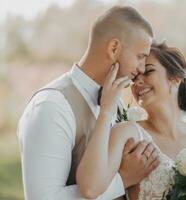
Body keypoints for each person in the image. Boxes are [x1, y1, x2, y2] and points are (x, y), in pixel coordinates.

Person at [17, 6, 159, 200]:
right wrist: (122, 179)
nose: (142, 68)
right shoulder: (51, 107)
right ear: (114, 48)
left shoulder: (115, 101)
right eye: (140, 57)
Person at [78, 41, 186, 200]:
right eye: (134, 77)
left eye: (148, 71)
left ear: (175, 78)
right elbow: (91, 190)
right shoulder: (126, 134)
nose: (138, 82)